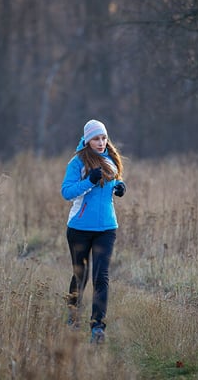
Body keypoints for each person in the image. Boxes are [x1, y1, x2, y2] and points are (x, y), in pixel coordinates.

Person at [61, 119, 126, 344]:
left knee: (101, 276)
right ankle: (73, 316)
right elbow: (66, 192)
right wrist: (88, 181)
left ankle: (98, 327)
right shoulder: (77, 162)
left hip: (107, 229)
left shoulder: (111, 160)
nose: (101, 142)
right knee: (81, 274)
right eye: (97, 139)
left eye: (104, 138)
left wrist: (120, 187)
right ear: (88, 140)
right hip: (79, 229)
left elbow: (115, 181)